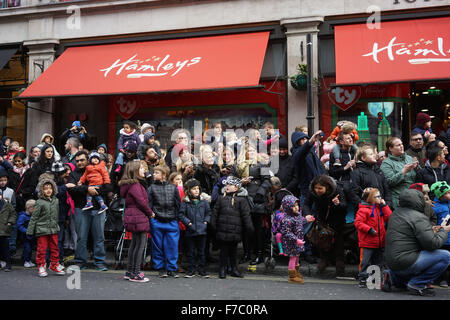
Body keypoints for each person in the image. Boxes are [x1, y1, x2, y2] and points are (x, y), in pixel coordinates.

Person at [382, 189, 450, 297]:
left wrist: (430, 230)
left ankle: (393, 277)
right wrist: (443, 230)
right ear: (417, 201)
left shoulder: (395, 214)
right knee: (446, 256)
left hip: (392, 262)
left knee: (408, 266)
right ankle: (417, 284)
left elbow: (409, 235)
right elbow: (433, 243)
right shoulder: (418, 217)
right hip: (406, 261)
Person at [67, 151, 111, 271]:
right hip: (81, 209)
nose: (79, 163)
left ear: (88, 160)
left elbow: (108, 187)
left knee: (99, 237)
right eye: (77, 161)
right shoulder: (73, 174)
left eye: (82, 160)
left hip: (99, 209)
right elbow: (70, 190)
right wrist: (87, 189)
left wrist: (90, 189)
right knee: (81, 237)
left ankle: (100, 262)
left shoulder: (99, 169)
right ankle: (80, 261)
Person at [303, 175, 347, 276]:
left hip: (337, 219)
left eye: (320, 188)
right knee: (322, 239)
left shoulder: (337, 190)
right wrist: (307, 214)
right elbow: (306, 204)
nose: (317, 190)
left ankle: (339, 261)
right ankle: (324, 259)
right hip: (322, 219)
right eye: (316, 188)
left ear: (326, 187)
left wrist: (337, 204)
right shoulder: (312, 192)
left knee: (338, 240)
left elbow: (344, 206)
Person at [210, 176, 254, 279]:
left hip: (235, 231)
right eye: (226, 184)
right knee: (223, 252)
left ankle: (234, 269)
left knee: (233, 252)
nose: (227, 186)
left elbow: (246, 216)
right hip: (222, 230)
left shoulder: (242, 200)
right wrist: (213, 226)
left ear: (237, 187)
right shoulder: (221, 198)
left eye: (230, 185)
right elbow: (215, 214)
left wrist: (250, 229)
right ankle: (222, 269)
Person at [119, 160, 155, 283]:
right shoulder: (135, 185)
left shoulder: (128, 184)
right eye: (140, 168)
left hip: (132, 216)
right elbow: (142, 202)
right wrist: (150, 213)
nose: (143, 170)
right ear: (134, 171)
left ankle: (130, 271)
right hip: (138, 216)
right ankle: (136, 273)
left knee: (134, 244)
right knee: (140, 245)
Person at [26, 178, 65, 277]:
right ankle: (41, 266)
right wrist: (30, 231)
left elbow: (56, 215)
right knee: (42, 249)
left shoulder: (56, 200)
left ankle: (54, 264)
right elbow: (34, 217)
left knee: (55, 248)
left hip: (53, 229)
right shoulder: (39, 202)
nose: (48, 190)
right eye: (45, 188)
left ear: (53, 189)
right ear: (41, 190)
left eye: (50, 188)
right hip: (42, 229)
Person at [148, 165, 181, 278]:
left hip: (172, 221)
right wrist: (152, 219)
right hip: (157, 221)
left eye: (156, 172)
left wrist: (175, 218)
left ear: (163, 175)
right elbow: (149, 205)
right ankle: (161, 268)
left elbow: (178, 205)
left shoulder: (173, 188)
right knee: (157, 246)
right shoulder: (151, 188)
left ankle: (172, 268)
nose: (154, 174)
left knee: (172, 246)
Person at [354, 187, 392, 288]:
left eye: (380, 196)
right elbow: (358, 223)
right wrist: (369, 229)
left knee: (378, 261)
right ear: (370, 198)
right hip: (367, 241)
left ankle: (375, 278)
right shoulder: (363, 210)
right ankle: (363, 278)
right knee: (365, 262)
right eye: (377, 196)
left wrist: (384, 206)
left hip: (379, 241)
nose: (380, 198)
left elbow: (390, 218)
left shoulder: (380, 208)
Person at [178, 178, 212, 278]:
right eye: (193, 188)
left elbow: (209, 213)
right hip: (190, 230)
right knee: (190, 251)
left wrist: (206, 221)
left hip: (202, 230)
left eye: (197, 188)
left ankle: (202, 270)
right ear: (189, 191)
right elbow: (181, 214)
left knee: (202, 252)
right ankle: (191, 270)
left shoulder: (204, 202)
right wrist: (188, 223)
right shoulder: (185, 202)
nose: (196, 190)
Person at [279, 195, 314, 284]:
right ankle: (292, 276)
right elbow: (286, 232)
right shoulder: (287, 219)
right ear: (288, 207)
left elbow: (300, 221)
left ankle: (296, 272)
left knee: (297, 257)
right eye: (294, 206)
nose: (296, 207)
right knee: (293, 258)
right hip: (291, 242)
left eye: (297, 205)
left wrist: (306, 220)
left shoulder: (297, 215)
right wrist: (296, 239)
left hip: (298, 241)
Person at [380, 137, 418, 209]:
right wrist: (403, 171)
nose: (401, 146)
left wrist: (417, 168)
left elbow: (417, 177)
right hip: (399, 200)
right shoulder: (386, 164)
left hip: (414, 197)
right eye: (398, 145)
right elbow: (389, 182)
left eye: (402, 144)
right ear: (390, 148)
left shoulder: (409, 158)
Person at [430, 181, 450, 287]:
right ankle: (442, 279)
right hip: (443, 238)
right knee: (443, 259)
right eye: (447, 193)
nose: (449, 194)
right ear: (441, 195)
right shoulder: (435, 207)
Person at [0, 189, 16, 272]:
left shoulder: (7, 204)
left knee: (6, 248)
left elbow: (13, 214)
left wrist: (10, 222)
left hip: (4, 229)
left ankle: (8, 265)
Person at [17, 199, 36, 268]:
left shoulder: (33, 216)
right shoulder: (22, 216)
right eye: (33, 208)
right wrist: (27, 231)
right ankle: (26, 261)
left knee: (30, 248)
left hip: (32, 236)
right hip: (25, 236)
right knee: (27, 248)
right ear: (28, 207)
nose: (35, 210)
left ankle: (29, 260)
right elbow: (19, 226)